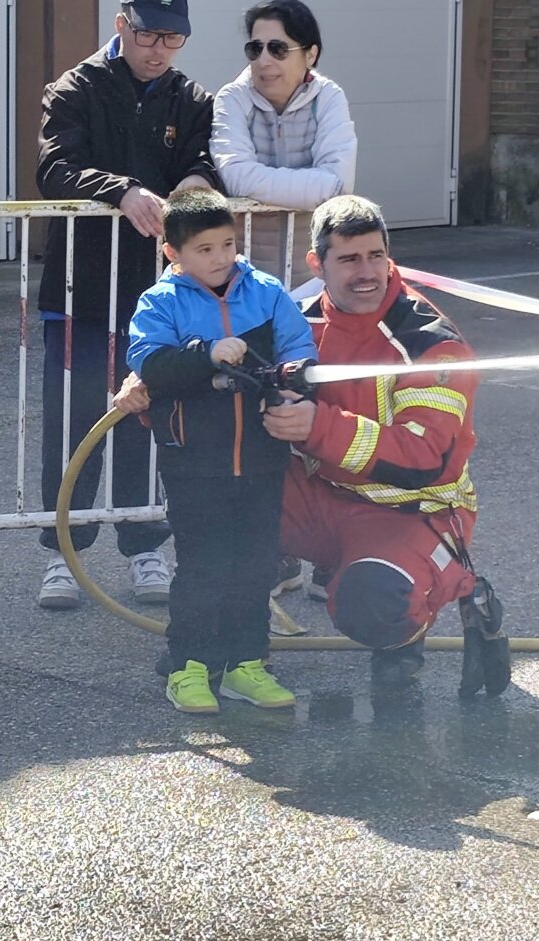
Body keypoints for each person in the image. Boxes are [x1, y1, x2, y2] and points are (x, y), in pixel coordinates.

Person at [261, 195, 509, 692]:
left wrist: (316, 426)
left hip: (414, 510)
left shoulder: (431, 342)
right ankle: (236, 646)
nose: (366, 272)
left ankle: (438, 602)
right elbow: (223, 369)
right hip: (320, 496)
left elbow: (424, 459)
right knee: (219, 503)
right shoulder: (292, 319)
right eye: (349, 259)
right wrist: (149, 379)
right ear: (317, 264)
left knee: (375, 601)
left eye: (376, 256)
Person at [35, 0, 222, 610]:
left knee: (153, 411)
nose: (159, 50)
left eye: (174, 38)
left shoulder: (190, 98)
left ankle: (146, 545)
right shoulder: (74, 88)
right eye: (149, 35)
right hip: (79, 291)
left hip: (157, 295)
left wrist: (197, 182)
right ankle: (63, 552)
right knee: (75, 416)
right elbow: (53, 167)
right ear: (122, 26)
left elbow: (201, 158)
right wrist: (123, 190)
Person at [124, 187, 316, 713]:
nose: (220, 258)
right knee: (204, 564)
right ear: (174, 254)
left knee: (256, 563)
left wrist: (292, 386)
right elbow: (151, 364)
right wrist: (207, 354)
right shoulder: (160, 303)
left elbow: (300, 349)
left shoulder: (268, 292)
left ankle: (246, 664)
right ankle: (188, 666)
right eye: (204, 249)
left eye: (228, 245)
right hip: (194, 458)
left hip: (262, 454)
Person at [210, 0, 356, 287]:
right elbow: (235, 176)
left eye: (277, 49)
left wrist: (259, 180)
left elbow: (339, 184)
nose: (264, 60)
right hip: (242, 278)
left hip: (312, 277)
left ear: (310, 54)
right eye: (255, 49)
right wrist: (315, 185)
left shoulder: (328, 97)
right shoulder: (232, 98)